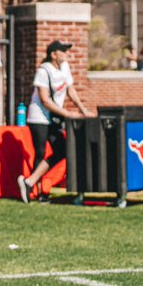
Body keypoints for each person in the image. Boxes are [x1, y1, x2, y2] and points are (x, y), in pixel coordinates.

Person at [17, 41, 93, 203]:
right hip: (39, 117)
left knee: (62, 150)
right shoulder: (44, 71)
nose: (66, 54)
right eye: (63, 51)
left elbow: (70, 90)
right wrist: (67, 114)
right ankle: (37, 193)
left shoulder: (64, 68)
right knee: (40, 152)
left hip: (53, 117)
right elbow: (44, 100)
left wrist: (83, 110)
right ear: (53, 54)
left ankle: (29, 182)